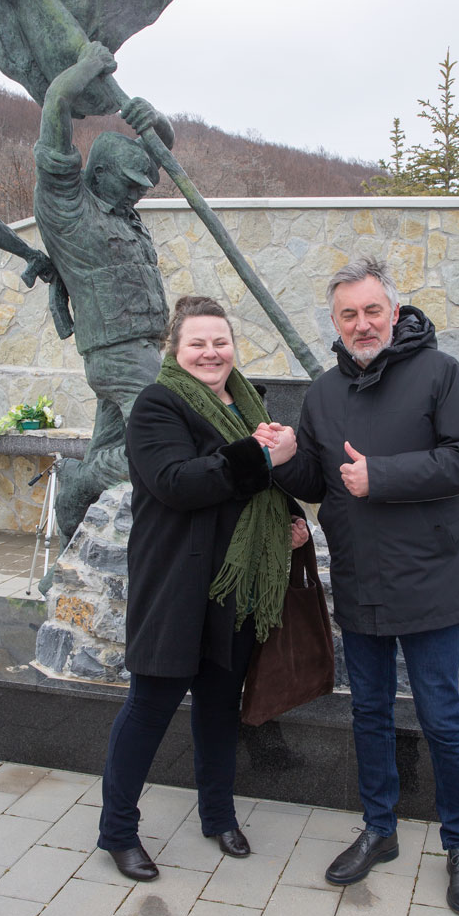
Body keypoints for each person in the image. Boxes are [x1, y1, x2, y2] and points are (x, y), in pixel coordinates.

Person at [259, 257, 459, 916]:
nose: (362, 324)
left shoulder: (440, 372)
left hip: (428, 579)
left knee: (442, 716)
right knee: (368, 712)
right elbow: (320, 483)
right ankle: (379, 830)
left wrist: (381, 476)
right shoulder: (324, 394)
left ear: (393, 311)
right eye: (348, 315)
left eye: (372, 311)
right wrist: (286, 461)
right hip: (361, 579)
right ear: (335, 323)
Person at [97, 294, 305, 880]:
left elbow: (260, 490)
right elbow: (177, 482)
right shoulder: (157, 405)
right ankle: (117, 831)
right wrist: (262, 455)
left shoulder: (247, 399)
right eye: (197, 343)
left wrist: (287, 518)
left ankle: (218, 815)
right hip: (177, 584)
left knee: (219, 708)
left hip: (235, 586)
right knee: (149, 708)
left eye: (220, 342)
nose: (211, 353)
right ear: (175, 348)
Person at [33, 40, 173, 545]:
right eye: (129, 184)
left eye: (141, 187)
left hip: (142, 350)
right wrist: (85, 68)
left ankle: (73, 529)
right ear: (98, 174)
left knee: (114, 447)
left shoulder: (123, 213)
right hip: (117, 355)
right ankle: (87, 478)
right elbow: (55, 109)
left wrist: (156, 123)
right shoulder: (71, 209)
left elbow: (161, 152)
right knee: (165, 440)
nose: (137, 193)